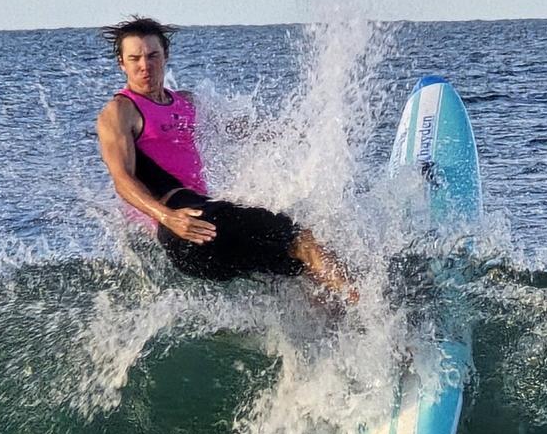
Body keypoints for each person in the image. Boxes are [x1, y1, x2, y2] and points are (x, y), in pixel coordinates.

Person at [97, 16, 357, 300]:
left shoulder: (186, 102)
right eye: (134, 58)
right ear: (122, 63)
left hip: (205, 231)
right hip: (183, 223)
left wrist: (295, 132)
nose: (145, 65)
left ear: (166, 55)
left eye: (152, 55)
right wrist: (168, 217)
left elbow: (232, 127)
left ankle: (339, 338)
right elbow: (122, 179)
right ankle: (373, 322)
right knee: (303, 241)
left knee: (300, 271)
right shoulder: (121, 111)